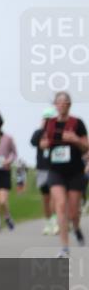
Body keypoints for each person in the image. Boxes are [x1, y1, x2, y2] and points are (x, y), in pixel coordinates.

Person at [38, 92, 88, 257]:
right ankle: (64, 247)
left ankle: (76, 227)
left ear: (69, 104)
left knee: (73, 212)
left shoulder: (77, 123)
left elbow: (86, 147)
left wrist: (75, 140)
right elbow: (43, 142)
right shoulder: (50, 124)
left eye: (65, 102)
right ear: (55, 105)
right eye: (58, 102)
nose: (62, 105)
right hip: (56, 171)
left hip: (74, 172)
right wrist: (44, 144)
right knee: (60, 206)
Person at [32, 108, 59, 235]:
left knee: (54, 197)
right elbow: (32, 142)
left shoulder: (57, 132)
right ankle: (47, 223)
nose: (48, 122)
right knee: (46, 198)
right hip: (42, 169)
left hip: (54, 169)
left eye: (50, 119)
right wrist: (42, 128)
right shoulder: (39, 132)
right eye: (46, 119)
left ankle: (55, 221)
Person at [0, 117, 17, 233]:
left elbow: (14, 153)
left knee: (2, 200)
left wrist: (9, 161)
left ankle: (7, 216)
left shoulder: (8, 138)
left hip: (4, 171)